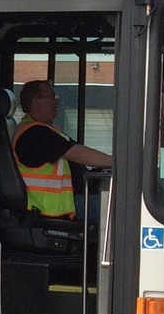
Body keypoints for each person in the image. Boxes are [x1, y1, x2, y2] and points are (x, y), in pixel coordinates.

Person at [11, 80, 111, 222]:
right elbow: (79, 154)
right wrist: (117, 162)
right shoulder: (35, 134)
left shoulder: (46, 129)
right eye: (52, 97)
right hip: (53, 207)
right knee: (126, 207)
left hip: (73, 199)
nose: (57, 103)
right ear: (36, 101)